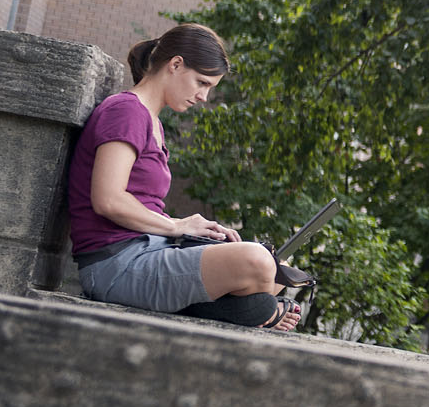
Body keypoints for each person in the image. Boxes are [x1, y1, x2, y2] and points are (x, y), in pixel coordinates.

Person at [67, 23, 300, 330]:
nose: (204, 96)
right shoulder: (126, 111)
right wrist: (177, 225)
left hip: (153, 248)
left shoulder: (152, 121)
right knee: (257, 263)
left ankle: (241, 309)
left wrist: (192, 231)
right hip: (116, 264)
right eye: (202, 82)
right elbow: (108, 200)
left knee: (279, 269)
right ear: (175, 64)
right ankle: (240, 309)